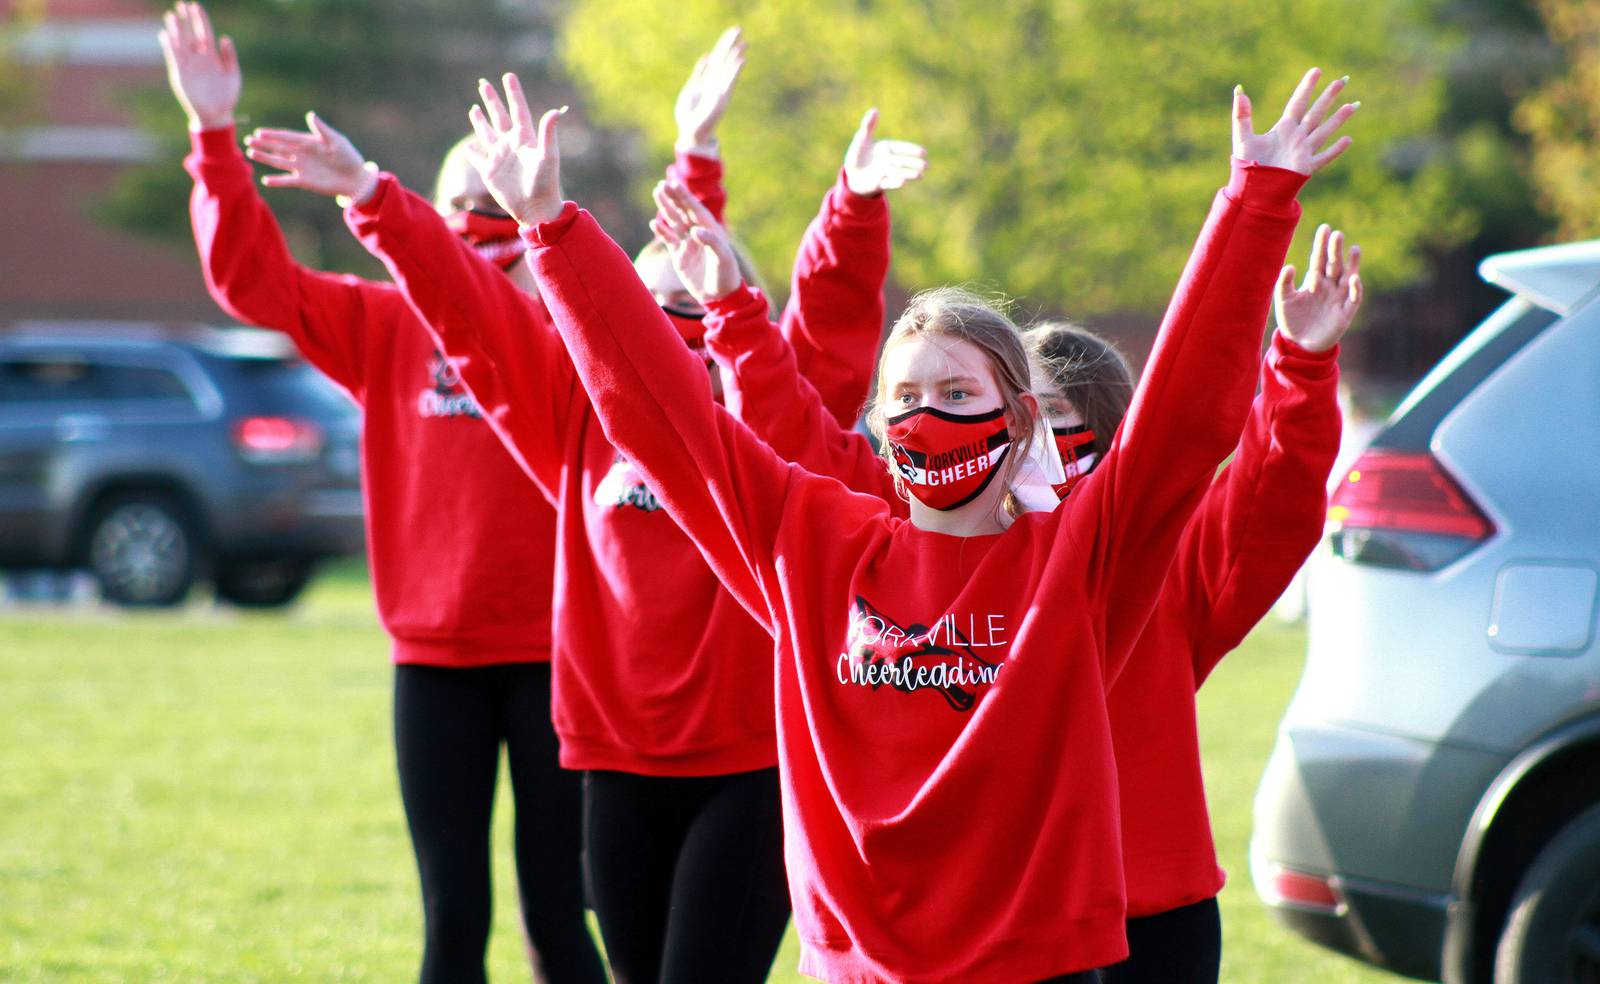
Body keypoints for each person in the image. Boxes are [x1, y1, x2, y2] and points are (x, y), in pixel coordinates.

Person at [461, 68, 1355, 981]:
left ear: (1017, 420)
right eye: (907, 397)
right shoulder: (812, 538)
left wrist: (1255, 205)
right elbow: (661, 418)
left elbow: (1182, 420)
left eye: (958, 393)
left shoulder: (1077, 563)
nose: (928, 415)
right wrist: (550, 225)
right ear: (880, 427)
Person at [243, 37, 925, 984]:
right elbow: (475, 313)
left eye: (696, 315)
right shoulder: (576, 411)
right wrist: (374, 196)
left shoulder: (774, 402)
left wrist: (848, 211)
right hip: (614, 756)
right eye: (653, 316)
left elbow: (828, 320)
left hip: (755, 757)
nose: (676, 338)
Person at [158, 6, 604, 982]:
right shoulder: (386, 321)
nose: (480, 236)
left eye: (500, 213)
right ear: (427, 221)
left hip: (556, 657)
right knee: (451, 919)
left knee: (560, 918)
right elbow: (253, 281)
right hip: (435, 656)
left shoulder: (568, 324)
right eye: (461, 211)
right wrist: (212, 140)